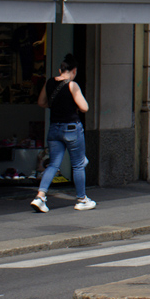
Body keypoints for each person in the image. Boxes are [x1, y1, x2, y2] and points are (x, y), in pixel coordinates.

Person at [31, 55, 95, 213]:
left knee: (53, 164)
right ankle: (81, 199)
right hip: (71, 129)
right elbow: (84, 107)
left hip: (54, 129)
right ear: (74, 71)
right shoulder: (72, 85)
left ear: (60, 70)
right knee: (78, 165)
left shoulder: (49, 83)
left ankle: (40, 196)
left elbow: (41, 102)